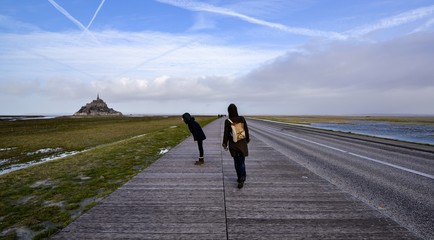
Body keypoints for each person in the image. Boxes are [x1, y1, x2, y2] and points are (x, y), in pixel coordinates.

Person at [222, 104, 250, 188]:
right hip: (242, 143)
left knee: (236, 162)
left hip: (233, 144)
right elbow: (246, 129)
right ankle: (242, 177)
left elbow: (226, 133)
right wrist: (247, 139)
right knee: (242, 161)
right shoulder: (242, 118)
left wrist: (224, 143)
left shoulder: (228, 121)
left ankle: (239, 177)